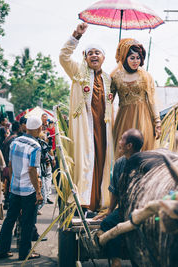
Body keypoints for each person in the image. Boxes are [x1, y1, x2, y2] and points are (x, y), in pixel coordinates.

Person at [59, 22, 113, 211]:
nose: (94, 56)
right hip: (85, 130)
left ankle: (101, 203)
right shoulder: (78, 73)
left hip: (104, 130)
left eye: (97, 53)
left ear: (103, 57)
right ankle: (84, 203)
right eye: (90, 53)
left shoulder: (109, 79)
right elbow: (63, 57)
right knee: (85, 164)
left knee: (103, 164)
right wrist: (76, 36)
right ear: (85, 57)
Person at [0, 116, 43, 260]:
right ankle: (25, 252)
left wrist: (11, 182)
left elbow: (10, 165)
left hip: (15, 187)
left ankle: (2, 249)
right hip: (28, 190)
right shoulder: (35, 146)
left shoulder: (15, 141)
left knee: (10, 219)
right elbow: (32, 170)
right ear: (39, 129)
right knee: (28, 221)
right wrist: (38, 192)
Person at [94, 129, 144, 267]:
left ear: (129, 146)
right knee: (107, 223)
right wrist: (109, 210)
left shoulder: (145, 163)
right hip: (124, 209)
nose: (119, 143)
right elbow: (115, 190)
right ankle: (116, 260)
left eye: (122, 139)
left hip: (142, 209)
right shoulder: (119, 163)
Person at [111, 38, 161, 159]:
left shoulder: (145, 76)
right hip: (124, 118)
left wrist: (157, 121)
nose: (135, 61)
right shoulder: (115, 76)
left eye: (138, 58)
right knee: (123, 154)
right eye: (132, 58)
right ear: (124, 57)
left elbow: (152, 100)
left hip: (144, 118)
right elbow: (108, 100)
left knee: (143, 152)